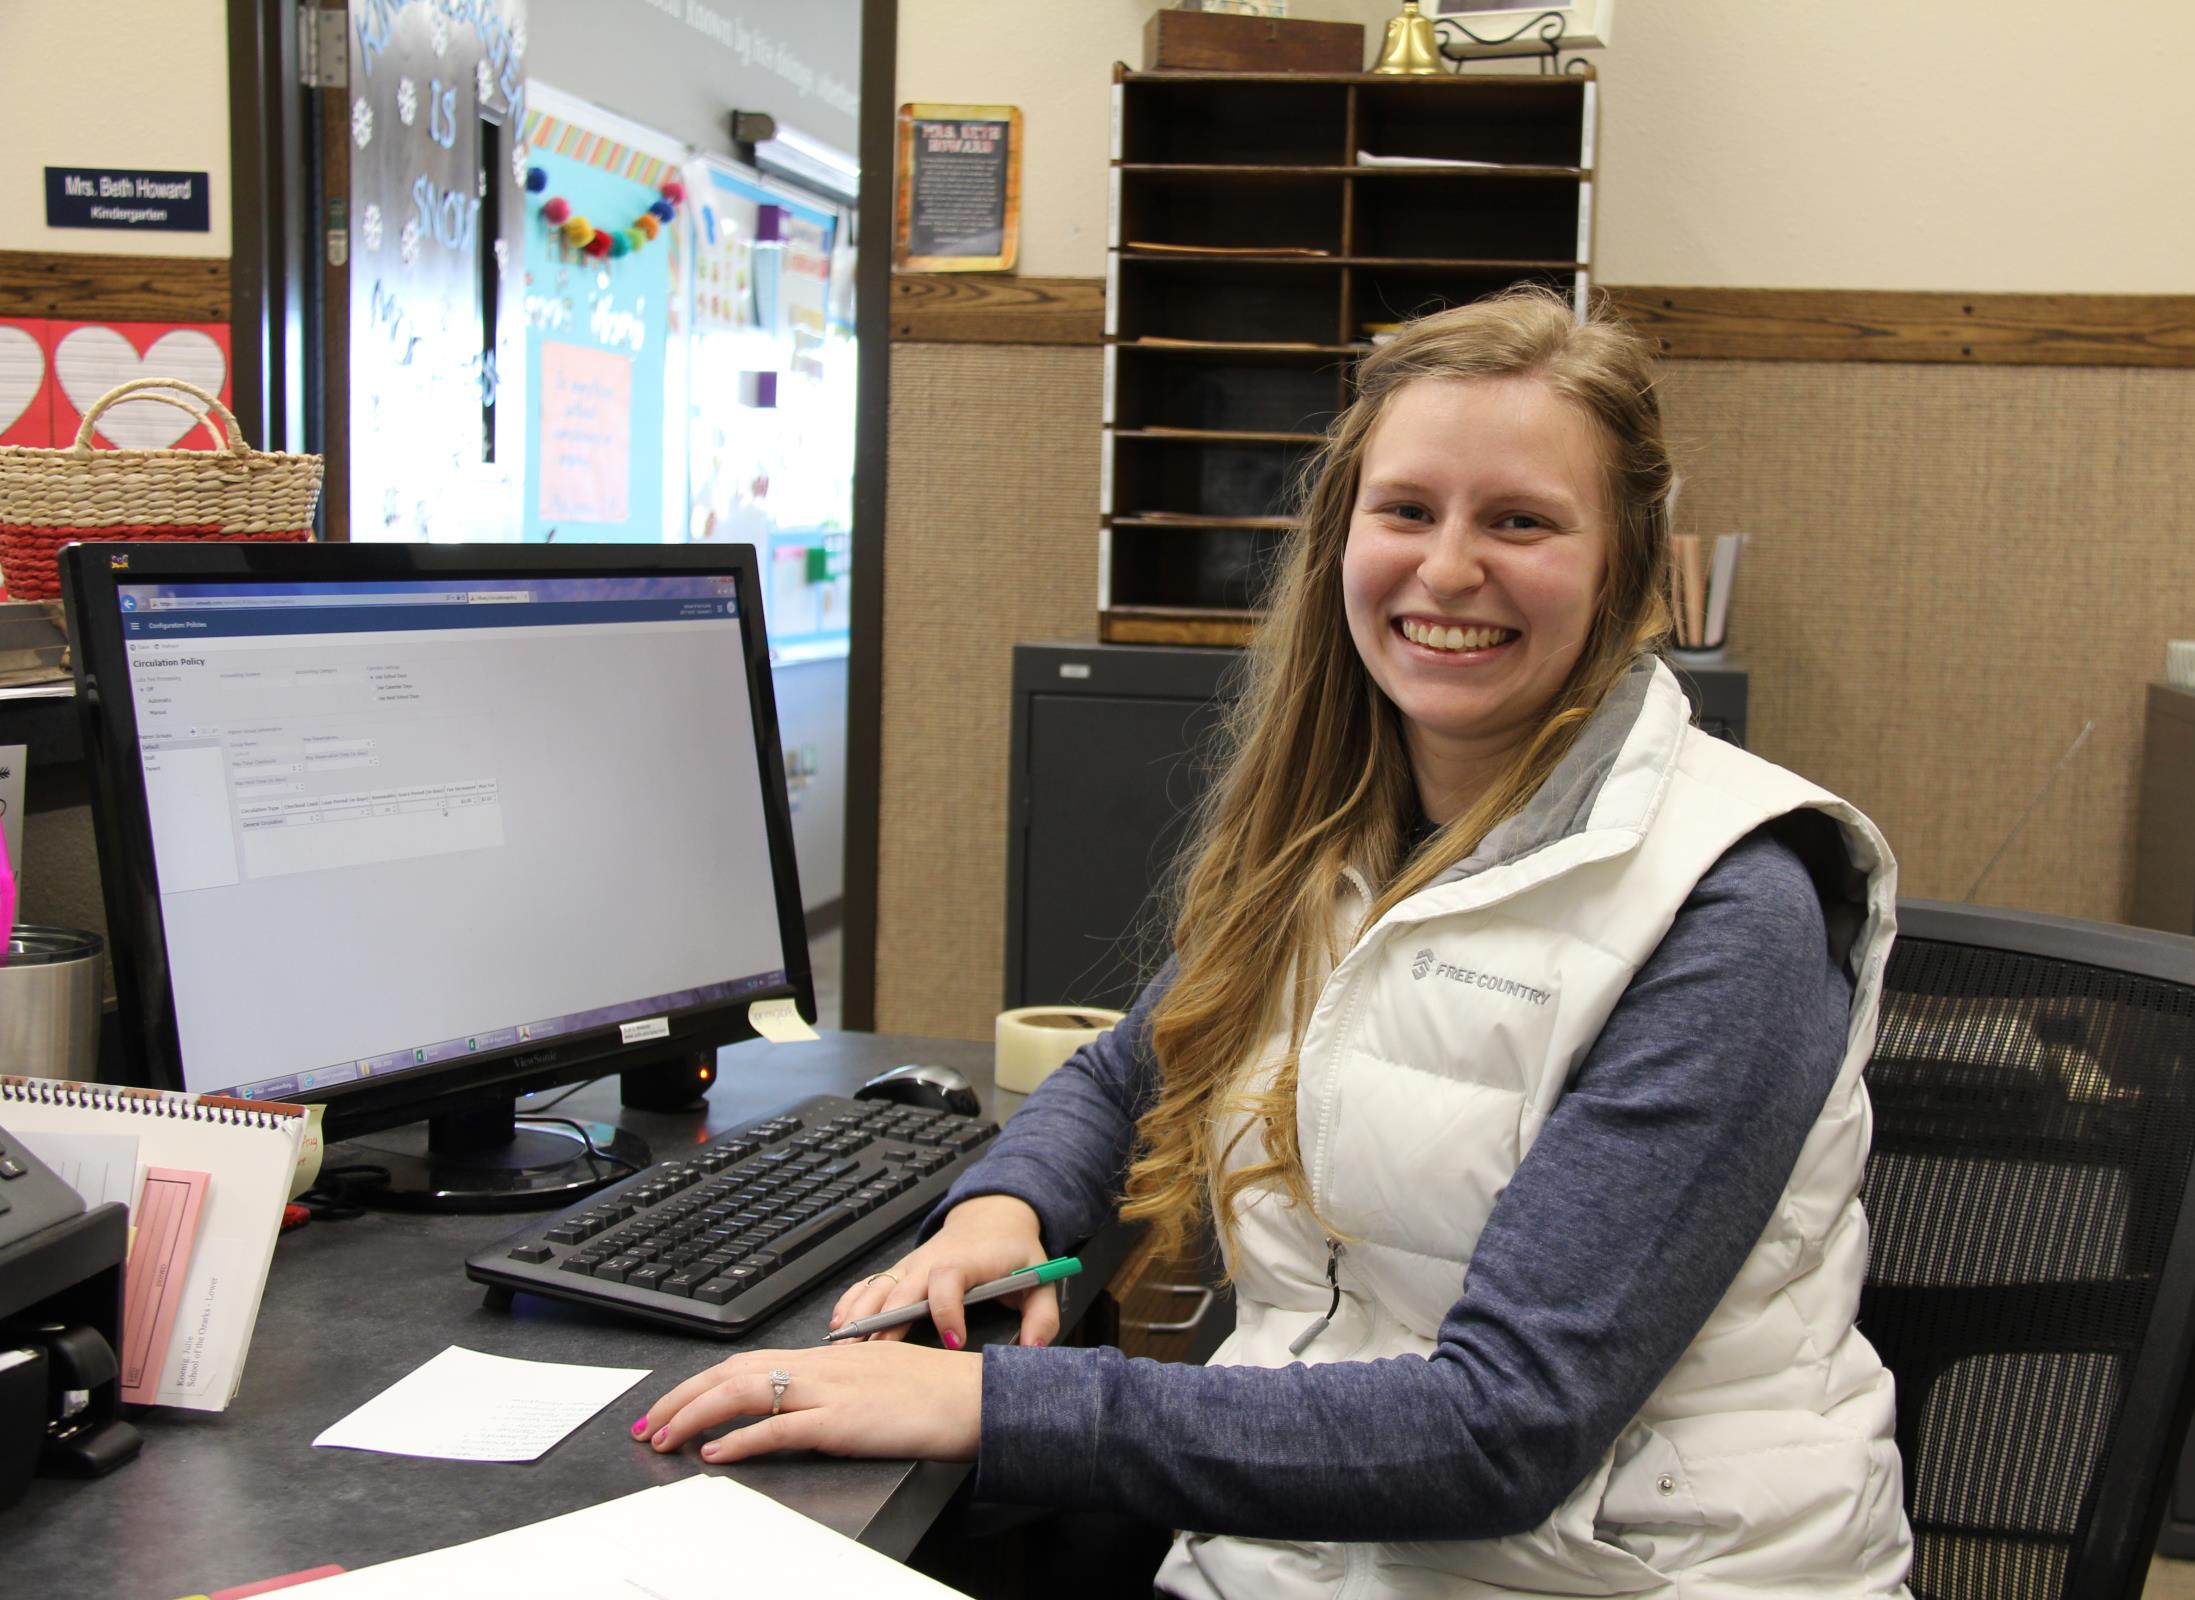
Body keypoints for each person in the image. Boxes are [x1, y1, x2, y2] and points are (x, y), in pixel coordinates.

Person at [636, 288, 1917, 1598]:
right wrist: (1003, 1212)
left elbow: (1505, 1428)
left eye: (1520, 520)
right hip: (1330, 1546)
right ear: (1342, 536)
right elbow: (1138, 1072)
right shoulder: (1346, 836)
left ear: (1625, 568)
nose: (1450, 568)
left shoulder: (1728, 905)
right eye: (1407, 510)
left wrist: (994, 1407)